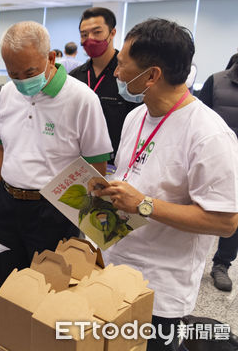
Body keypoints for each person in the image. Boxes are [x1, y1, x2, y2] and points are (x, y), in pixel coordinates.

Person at [95, 19, 238, 351]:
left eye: (121, 65)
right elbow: (135, 178)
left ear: (152, 75)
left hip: (160, 291)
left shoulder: (208, 135)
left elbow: (226, 222)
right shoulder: (137, 117)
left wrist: (144, 204)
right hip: (116, 270)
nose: (115, 74)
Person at [0, 21, 112, 291]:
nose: (22, 80)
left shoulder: (82, 99)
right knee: (7, 284)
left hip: (55, 210)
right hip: (7, 205)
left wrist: (83, 213)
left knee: (51, 289)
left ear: (51, 58)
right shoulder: (8, 92)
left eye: (30, 71)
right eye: (13, 73)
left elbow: (96, 163)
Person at [69, 7, 136, 162]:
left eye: (97, 32)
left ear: (112, 33)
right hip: (79, 163)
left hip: (117, 163)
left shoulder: (128, 76)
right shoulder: (74, 77)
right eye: (84, 35)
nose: (90, 39)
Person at [199, 54, 238, 292]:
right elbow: (196, 119)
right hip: (215, 161)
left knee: (233, 215)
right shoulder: (216, 82)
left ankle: (222, 264)